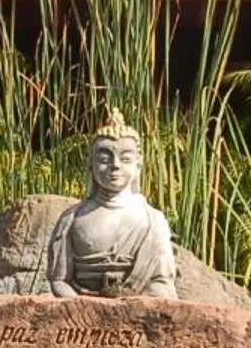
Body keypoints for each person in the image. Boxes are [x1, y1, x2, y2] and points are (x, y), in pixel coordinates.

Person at [44, 108, 179, 299]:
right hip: (81, 311)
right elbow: (59, 281)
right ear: (90, 163)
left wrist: (133, 306)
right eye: (104, 159)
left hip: (140, 308)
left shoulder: (153, 221)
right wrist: (83, 309)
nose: (115, 165)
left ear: (138, 164)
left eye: (125, 159)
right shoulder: (71, 219)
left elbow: (162, 283)